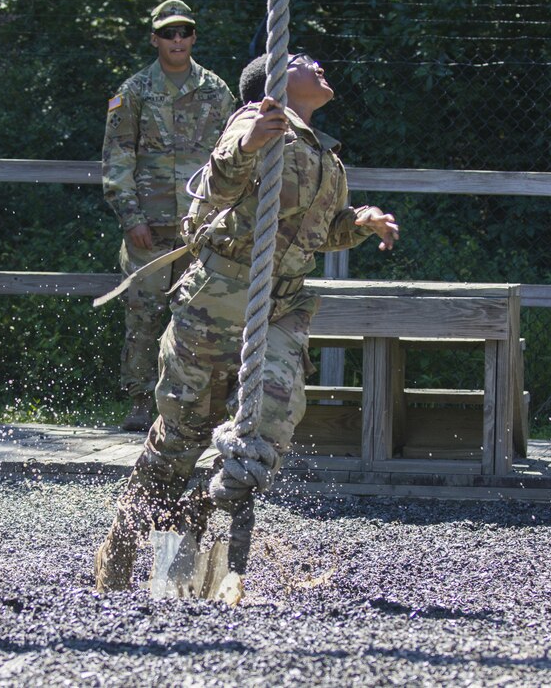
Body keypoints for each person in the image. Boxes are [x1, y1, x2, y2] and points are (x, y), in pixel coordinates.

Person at [94, 52, 400, 592]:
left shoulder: (322, 152)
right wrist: (249, 142)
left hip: (278, 307)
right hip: (216, 307)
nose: (320, 64)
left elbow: (314, 232)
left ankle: (194, 527)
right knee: (179, 441)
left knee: (269, 421)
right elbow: (213, 189)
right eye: (302, 60)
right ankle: (124, 547)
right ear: (275, 81)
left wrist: (358, 223)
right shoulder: (258, 121)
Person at [102, 0, 235, 432]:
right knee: (143, 318)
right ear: (155, 38)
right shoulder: (135, 91)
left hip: (202, 228)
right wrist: (130, 217)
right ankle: (141, 402)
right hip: (150, 229)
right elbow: (117, 160)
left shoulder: (216, 90)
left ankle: (196, 406)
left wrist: (227, 216)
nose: (177, 40)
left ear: (193, 37)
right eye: (168, 33)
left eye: (184, 32)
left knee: (201, 320)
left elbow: (232, 157)